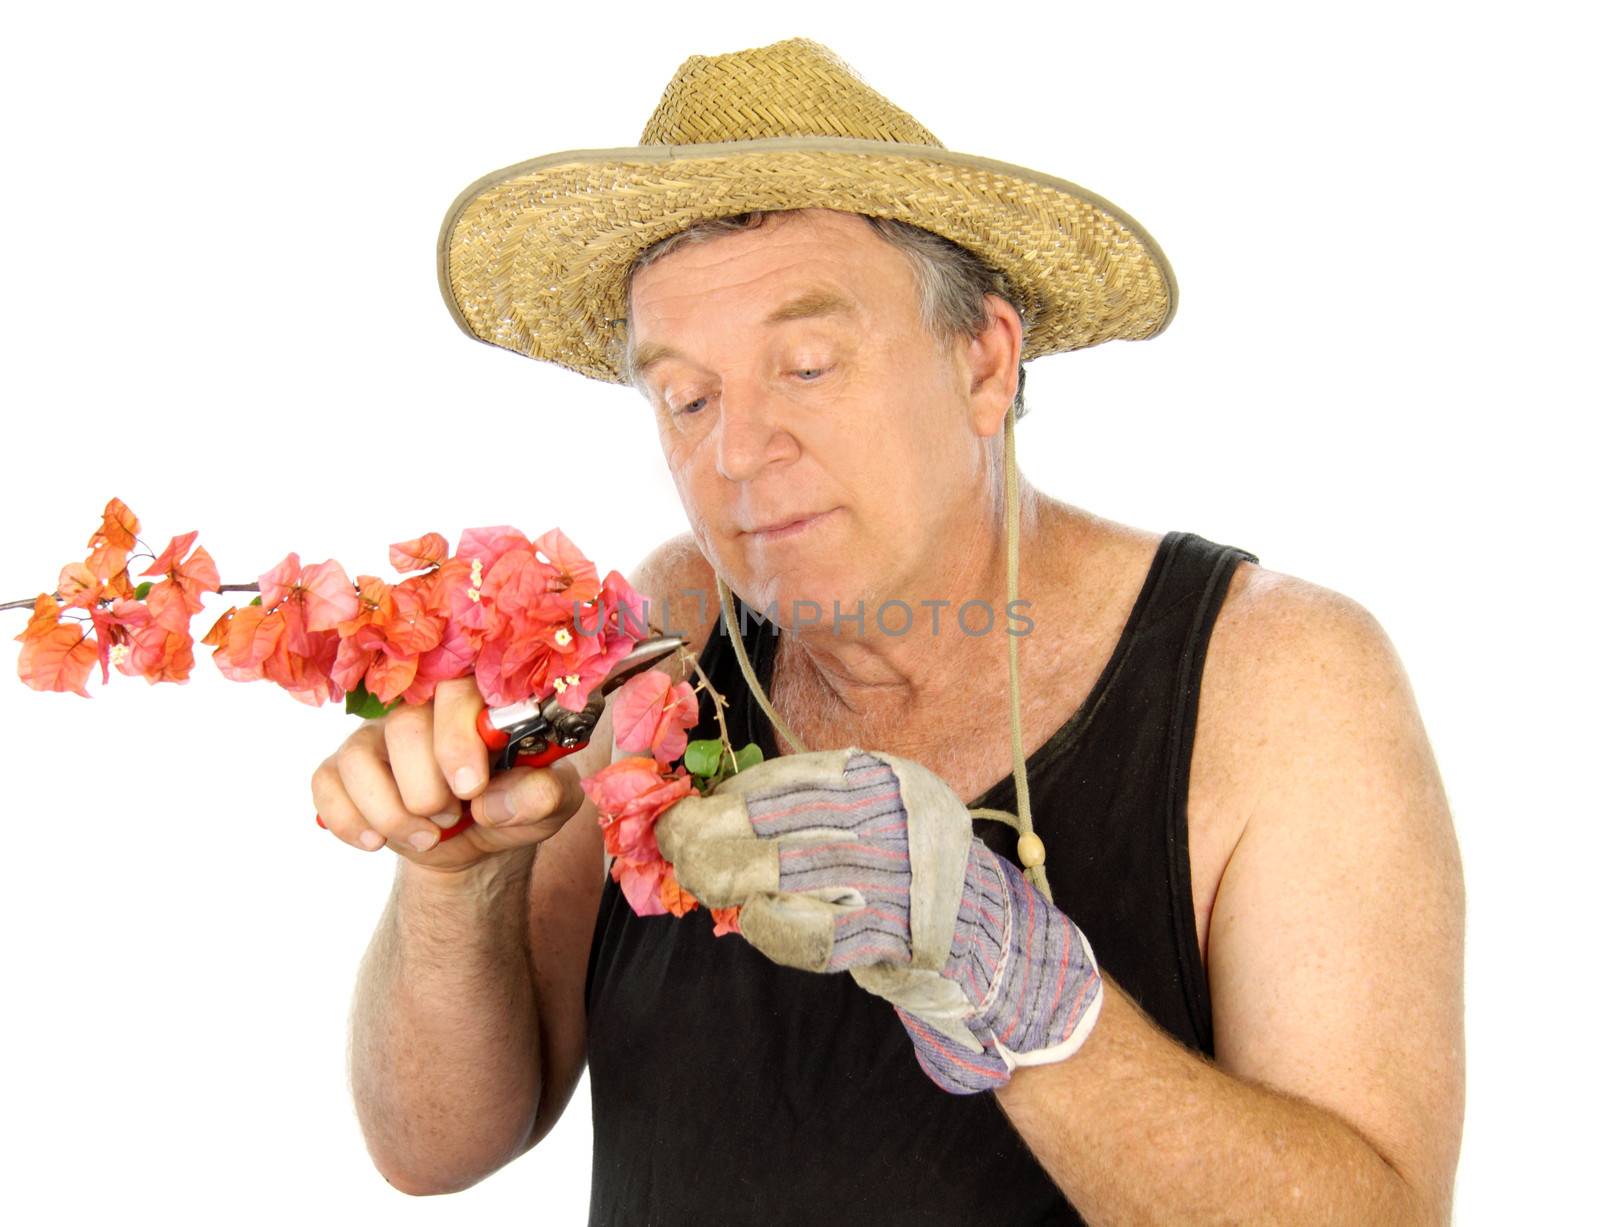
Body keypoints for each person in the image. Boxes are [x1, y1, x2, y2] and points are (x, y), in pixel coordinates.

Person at [315, 38, 1465, 1223]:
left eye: (807, 366)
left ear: (984, 362)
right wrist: (454, 884)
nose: (737, 452)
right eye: (686, 398)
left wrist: (1031, 1003)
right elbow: (433, 1147)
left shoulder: (1278, 680)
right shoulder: (665, 635)